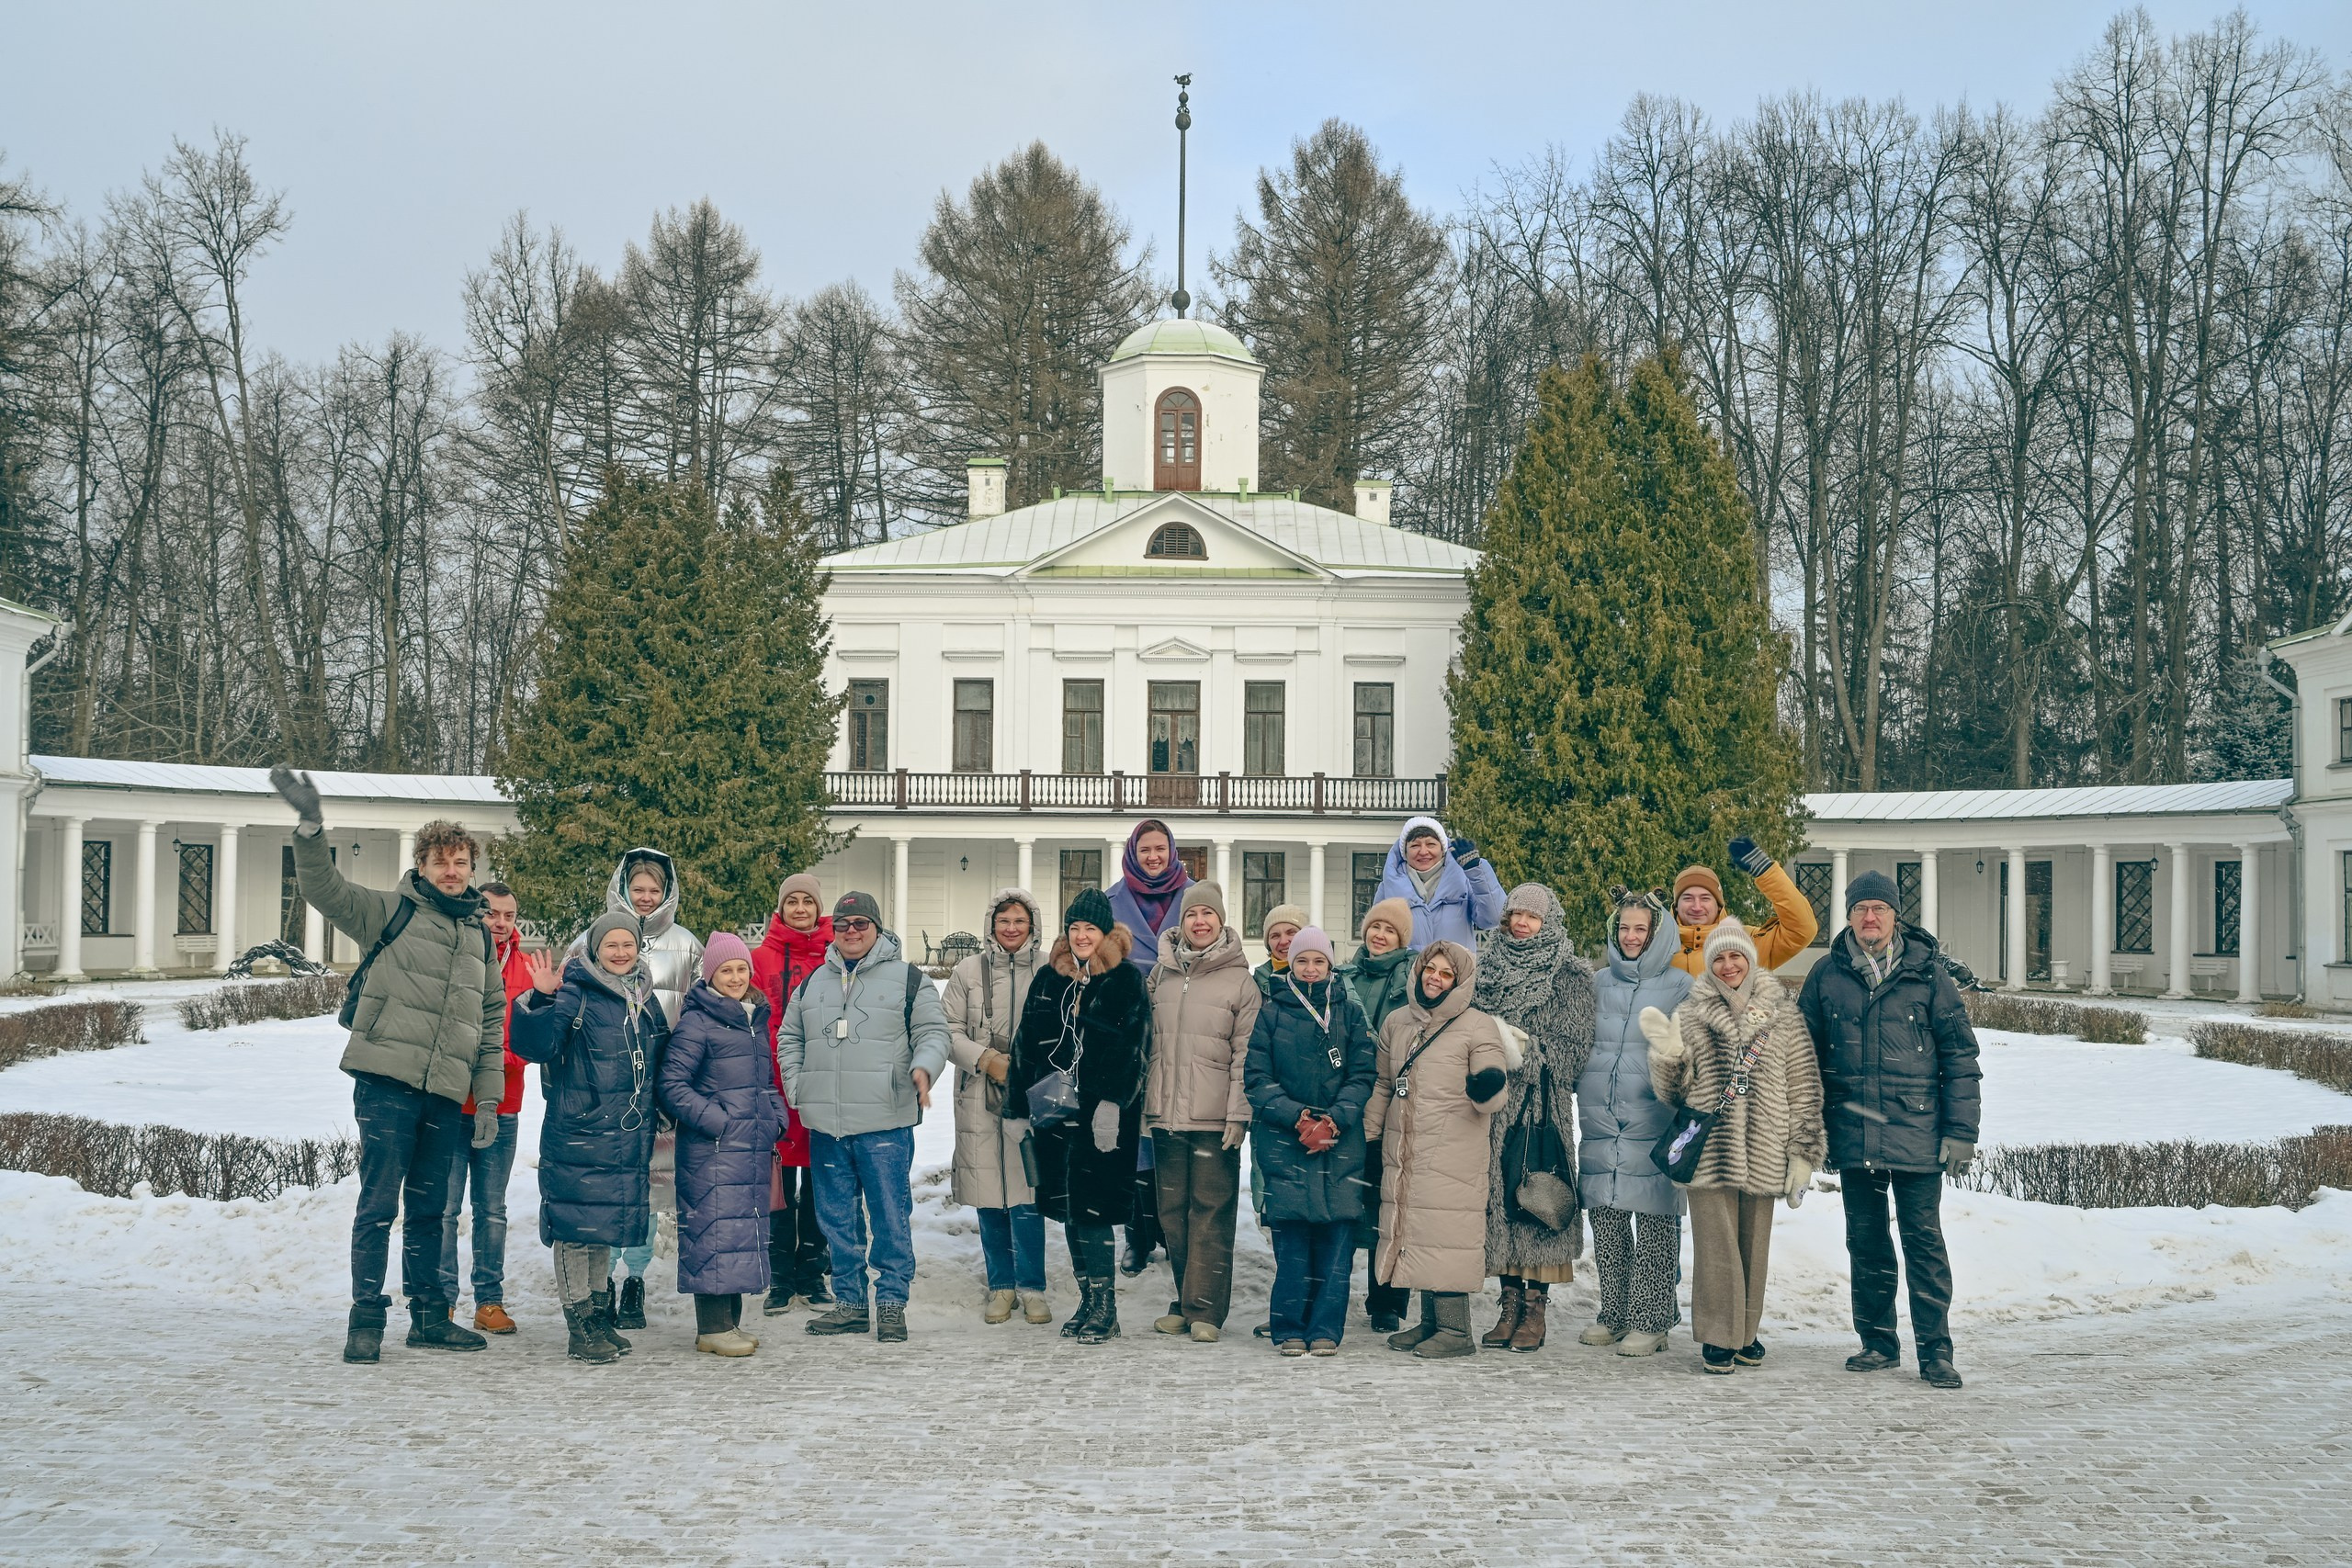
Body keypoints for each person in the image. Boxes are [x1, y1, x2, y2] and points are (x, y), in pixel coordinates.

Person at [269, 765, 506, 1365]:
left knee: (431, 1210)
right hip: (386, 1084)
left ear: (471, 870)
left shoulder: (480, 939)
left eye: (460, 862)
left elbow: (488, 1025)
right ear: (422, 865)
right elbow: (324, 889)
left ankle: (428, 1317)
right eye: (440, 860)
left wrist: (486, 1099)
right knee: (379, 1204)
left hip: (445, 1094)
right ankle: (365, 1317)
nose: (451, 871)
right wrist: (310, 825)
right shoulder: (389, 912)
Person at [1798, 870, 1984, 1391]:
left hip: (1919, 1133)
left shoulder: (1928, 976)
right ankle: (1878, 1341)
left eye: (1879, 908)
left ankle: (1936, 1351)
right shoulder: (1826, 975)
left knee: (1923, 1241)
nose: (1870, 918)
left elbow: (1960, 1057)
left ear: (1894, 916)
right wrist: (1807, 1131)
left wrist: (1961, 1132)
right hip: (1855, 1135)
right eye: (1861, 909)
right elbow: (1801, 1057)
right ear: (1850, 916)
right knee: (1867, 1241)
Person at [1640, 918, 1823, 1375]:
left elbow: (1803, 1085)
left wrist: (1803, 1151)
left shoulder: (1783, 1015)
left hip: (1766, 1146)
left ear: (1750, 959)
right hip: (1711, 1150)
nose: (1727, 966)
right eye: (1718, 958)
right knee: (1716, 1247)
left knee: (1753, 1246)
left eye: (1735, 956)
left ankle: (1746, 1333)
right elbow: (1675, 1094)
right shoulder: (1692, 1013)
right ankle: (1719, 1336)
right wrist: (1667, 1057)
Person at [777, 892, 951, 1345]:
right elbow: (789, 1035)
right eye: (843, 924)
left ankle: (892, 1303)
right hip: (828, 1126)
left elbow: (934, 1032)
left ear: (877, 927)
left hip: (885, 1122)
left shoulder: (910, 979)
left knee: (889, 1215)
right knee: (836, 1220)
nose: (851, 932)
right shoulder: (815, 980)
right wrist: (798, 1086)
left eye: (861, 923)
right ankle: (851, 1304)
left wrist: (924, 1066)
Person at [509, 911, 672, 1365]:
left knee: (604, 1228)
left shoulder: (643, 997)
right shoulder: (573, 994)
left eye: (628, 944)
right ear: (595, 949)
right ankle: (579, 1325)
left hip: (627, 1131)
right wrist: (540, 999)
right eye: (610, 945)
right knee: (574, 1230)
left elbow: (659, 1057)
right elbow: (535, 1048)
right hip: (579, 1131)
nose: (620, 953)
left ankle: (600, 1316)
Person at [1002, 889, 1149, 1347]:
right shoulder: (1049, 979)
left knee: (1094, 1209)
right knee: (1068, 1208)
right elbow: (1025, 1044)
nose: (1082, 936)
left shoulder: (1125, 979)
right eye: (1075, 928)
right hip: (1054, 1112)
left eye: (1090, 928)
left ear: (1106, 933)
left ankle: (1107, 1305)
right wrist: (1015, 1110)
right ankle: (1087, 1297)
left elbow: (1135, 1047)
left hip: (1103, 1117)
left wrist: (1111, 1102)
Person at [1363, 942, 1518, 1360]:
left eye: (1446, 973)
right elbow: (1383, 1082)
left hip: (1452, 1149)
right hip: (1405, 1144)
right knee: (1419, 1232)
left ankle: (1455, 1330)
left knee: (1446, 1234)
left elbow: (1493, 1081)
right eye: (1429, 969)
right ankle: (1431, 1322)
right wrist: (1370, 1133)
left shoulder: (1477, 1024)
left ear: (1461, 981)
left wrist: (1487, 1084)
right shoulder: (1398, 1022)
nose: (1434, 977)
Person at [576, 848, 705, 1330]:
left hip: (660, 1088)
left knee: (649, 1190)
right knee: (610, 1191)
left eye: (654, 890)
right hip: (606, 1091)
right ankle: (601, 1281)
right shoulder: (595, 938)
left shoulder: (686, 945)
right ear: (623, 889)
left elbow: (697, 1016)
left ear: (667, 893)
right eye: (638, 890)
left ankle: (635, 1279)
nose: (646, 899)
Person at [1475, 885, 1597, 1355]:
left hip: (1540, 1107)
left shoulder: (1570, 975)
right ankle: (1508, 1306)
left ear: (1549, 922)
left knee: (1538, 1198)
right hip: (1493, 1106)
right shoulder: (1486, 966)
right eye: (1515, 915)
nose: (1522, 924)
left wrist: (1524, 1052)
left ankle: (1535, 1307)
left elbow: (1573, 1049)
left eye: (1532, 917)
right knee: (1503, 1201)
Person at [1245, 927, 1377, 1355]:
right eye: (1302, 961)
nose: (1311, 969)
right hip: (1287, 1143)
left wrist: (1335, 1120)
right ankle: (1288, 1328)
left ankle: (1325, 1330)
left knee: (1336, 1249)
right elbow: (1257, 1079)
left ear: (1330, 964)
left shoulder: (1349, 1012)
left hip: (1341, 1145)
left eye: (1319, 961)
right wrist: (1298, 1117)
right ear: (1290, 964)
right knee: (1293, 1245)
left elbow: (1362, 1073)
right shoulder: (1271, 1011)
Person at [659, 932, 788, 1358]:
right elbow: (672, 1086)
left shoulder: (752, 1019)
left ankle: (728, 1324)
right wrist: (718, 1121)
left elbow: (765, 1082)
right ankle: (713, 1327)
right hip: (712, 1151)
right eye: (726, 970)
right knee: (713, 1233)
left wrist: (775, 1118)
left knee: (739, 1233)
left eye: (741, 969)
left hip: (747, 1145)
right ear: (710, 975)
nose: (735, 977)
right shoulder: (698, 1021)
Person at [1143, 881, 1261, 1343]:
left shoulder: (1240, 981)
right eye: (1192, 915)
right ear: (1182, 921)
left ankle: (1206, 1310)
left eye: (1208, 915)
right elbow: (1148, 1046)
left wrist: (1238, 1114)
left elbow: (1246, 1055)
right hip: (1166, 1115)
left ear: (1221, 921)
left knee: (1210, 1212)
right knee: (1172, 1212)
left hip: (1214, 1120)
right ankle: (1184, 1300)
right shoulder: (1162, 975)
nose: (1200, 922)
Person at [1578, 886, 1692, 1357]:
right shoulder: (1597, 982)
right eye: (1622, 928)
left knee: (1655, 1221)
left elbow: (1688, 1054)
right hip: (1601, 1118)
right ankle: (1616, 1311)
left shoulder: (1681, 985)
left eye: (1639, 929)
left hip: (1653, 1118)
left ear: (1657, 934)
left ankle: (1653, 1319)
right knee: (1606, 1219)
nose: (1630, 936)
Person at [944, 888, 1051, 1326]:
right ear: (991, 924)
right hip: (978, 1095)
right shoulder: (968, 971)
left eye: (1019, 920)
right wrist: (986, 1059)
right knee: (990, 1193)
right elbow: (945, 1028)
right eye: (1003, 920)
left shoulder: (1049, 970)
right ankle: (1001, 1285)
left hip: (1034, 1093)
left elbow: (1067, 1026)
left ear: (1032, 926)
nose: (1011, 928)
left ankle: (1033, 1287)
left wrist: (1030, 1064)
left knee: (1028, 1192)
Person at [436, 880, 535, 1336]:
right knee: (444, 1207)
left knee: (491, 1209)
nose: (499, 923)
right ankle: (440, 1301)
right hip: (450, 1103)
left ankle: (489, 1301)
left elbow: (529, 1041)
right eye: (491, 913)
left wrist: (491, 1062)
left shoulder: (528, 971)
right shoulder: (454, 955)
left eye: (508, 916)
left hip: (503, 1105)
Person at [751, 872, 834, 1314]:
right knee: (777, 1187)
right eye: (792, 901)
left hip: (820, 1086)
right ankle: (780, 1275)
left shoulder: (836, 955)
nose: (800, 909)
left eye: (808, 901)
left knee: (820, 1184)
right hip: (773, 1089)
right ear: (780, 908)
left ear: (819, 908)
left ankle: (813, 1273)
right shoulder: (760, 958)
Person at [1106, 819, 1186, 1275]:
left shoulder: (1195, 896)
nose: (1153, 857)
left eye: (1160, 849)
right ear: (1133, 852)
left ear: (1172, 851)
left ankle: (1171, 1232)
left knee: (1171, 1136)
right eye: (1145, 850)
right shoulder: (1112, 900)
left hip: (1181, 1026)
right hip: (1128, 1032)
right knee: (1133, 1138)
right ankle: (1137, 1235)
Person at [1341, 897, 1418, 1333]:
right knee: (1348, 1202)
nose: (1380, 935)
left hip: (1393, 1103)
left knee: (1390, 1205)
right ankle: (1333, 1290)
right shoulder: (1344, 975)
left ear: (1402, 938)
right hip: (1348, 1102)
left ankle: (1387, 1300)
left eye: (1389, 930)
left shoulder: (1412, 978)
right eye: (1375, 927)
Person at [1668, 837, 1816, 977]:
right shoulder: (1655, 946)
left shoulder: (1748, 942)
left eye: (1705, 898)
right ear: (1676, 905)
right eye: (1688, 898)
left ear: (1719, 905)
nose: (1697, 907)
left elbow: (1802, 930)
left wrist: (1765, 871)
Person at [1373, 816, 1504, 950]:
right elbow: (1376, 935)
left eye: (1431, 844)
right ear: (1405, 852)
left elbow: (1493, 919)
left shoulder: (1464, 879)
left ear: (1443, 849)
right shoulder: (1389, 886)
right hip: (1404, 970)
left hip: (1456, 970)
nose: (1423, 852)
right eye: (1415, 845)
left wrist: (1476, 871)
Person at [1250, 903, 1307, 997]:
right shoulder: (1254, 985)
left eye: (1291, 933)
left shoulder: (1331, 983)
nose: (1283, 941)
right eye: (1275, 936)